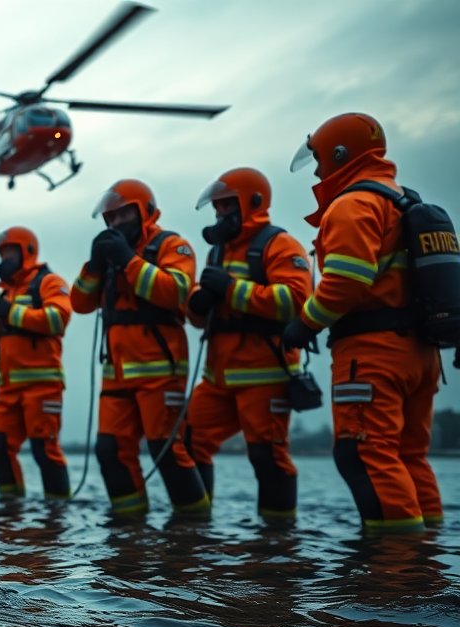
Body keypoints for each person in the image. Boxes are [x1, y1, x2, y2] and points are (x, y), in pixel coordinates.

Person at [284, 112, 442, 532]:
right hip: (421, 353)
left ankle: (395, 576)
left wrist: (304, 325)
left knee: (365, 453)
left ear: (340, 154)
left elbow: (346, 282)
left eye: (319, 160)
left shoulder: (354, 204)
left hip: (373, 356)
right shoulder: (403, 200)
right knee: (409, 456)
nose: (316, 171)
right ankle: (432, 559)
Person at [69, 179, 210, 519]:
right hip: (116, 374)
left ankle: (194, 529)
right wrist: (94, 265)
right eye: (110, 218)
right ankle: (129, 532)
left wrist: (128, 260)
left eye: (123, 215)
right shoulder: (110, 257)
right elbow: (80, 303)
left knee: (166, 450)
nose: (116, 223)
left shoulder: (172, 246)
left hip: (161, 371)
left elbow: (176, 292)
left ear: (145, 211)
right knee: (110, 450)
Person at [185, 167, 314, 524]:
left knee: (267, 456)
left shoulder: (279, 244)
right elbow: (203, 314)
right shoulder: (217, 254)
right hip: (218, 379)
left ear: (253, 202)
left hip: (265, 374)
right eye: (217, 207)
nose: (219, 214)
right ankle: (193, 531)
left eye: (227, 205)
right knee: (187, 442)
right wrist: (197, 304)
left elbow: (296, 301)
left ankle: (278, 537)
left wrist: (230, 289)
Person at [0, 225, 73, 502]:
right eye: (2, 253)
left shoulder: (48, 282)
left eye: (10, 252)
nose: (4, 259)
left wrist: (11, 313)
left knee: (44, 450)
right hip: (9, 390)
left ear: (27, 251)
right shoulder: (6, 293)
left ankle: (57, 514)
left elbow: (58, 318)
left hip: (42, 386)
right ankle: (11, 511)